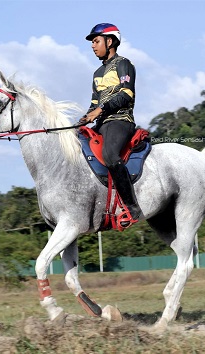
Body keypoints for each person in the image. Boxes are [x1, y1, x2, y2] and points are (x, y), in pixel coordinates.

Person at [80, 23, 142, 228]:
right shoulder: (97, 73)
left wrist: (99, 111)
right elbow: (94, 103)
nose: (93, 46)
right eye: (92, 43)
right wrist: (86, 117)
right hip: (102, 123)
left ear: (110, 41)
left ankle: (132, 207)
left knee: (110, 155)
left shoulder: (124, 64)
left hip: (121, 121)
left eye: (96, 41)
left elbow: (126, 94)